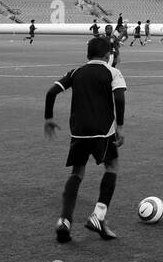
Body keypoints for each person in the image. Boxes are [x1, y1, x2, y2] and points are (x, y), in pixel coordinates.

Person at [44, 35, 127, 242]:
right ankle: (98, 216)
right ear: (109, 55)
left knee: (77, 173)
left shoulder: (76, 72)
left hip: (79, 132)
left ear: (87, 54)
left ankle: (64, 220)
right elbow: (119, 97)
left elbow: (51, 92)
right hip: (103, 131)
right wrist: (120, 126)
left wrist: (49, 118)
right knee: (112, 167)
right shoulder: (113, 72)